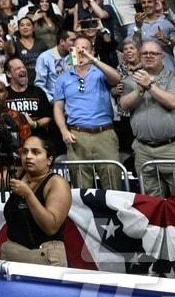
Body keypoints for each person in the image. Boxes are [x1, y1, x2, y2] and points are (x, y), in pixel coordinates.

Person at [118, 39, 175, 197]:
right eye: (145, 53)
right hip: (143, 150)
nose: (149, 56)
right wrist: (140, 89)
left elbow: (173, 102)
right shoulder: (131, 81)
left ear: (162, 56)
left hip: (174, 149)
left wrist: (150, 86)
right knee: (151, 201)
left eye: (153, 53)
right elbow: (124, 104)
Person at [52, 35, 123, 189]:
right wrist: (63, 131)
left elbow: (116, 78)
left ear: (92, 51)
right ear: (71, 52)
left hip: (104, 133)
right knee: (81, 186)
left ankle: (113, 213)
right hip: (77, 135)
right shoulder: (63, 78)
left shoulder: (100, 72)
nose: (81, 51)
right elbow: (58, 108)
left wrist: (93, 60)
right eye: (77, 49)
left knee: (112, 182)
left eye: (85, 48)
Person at [0, 135, 71, 267]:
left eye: (36, 152)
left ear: (49, 159)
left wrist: (29, 195)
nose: (28, 156)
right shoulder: (18, 174)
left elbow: (51, 227)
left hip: (44, 259)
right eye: (25, 152)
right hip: (13, 257)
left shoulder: (57, 183)